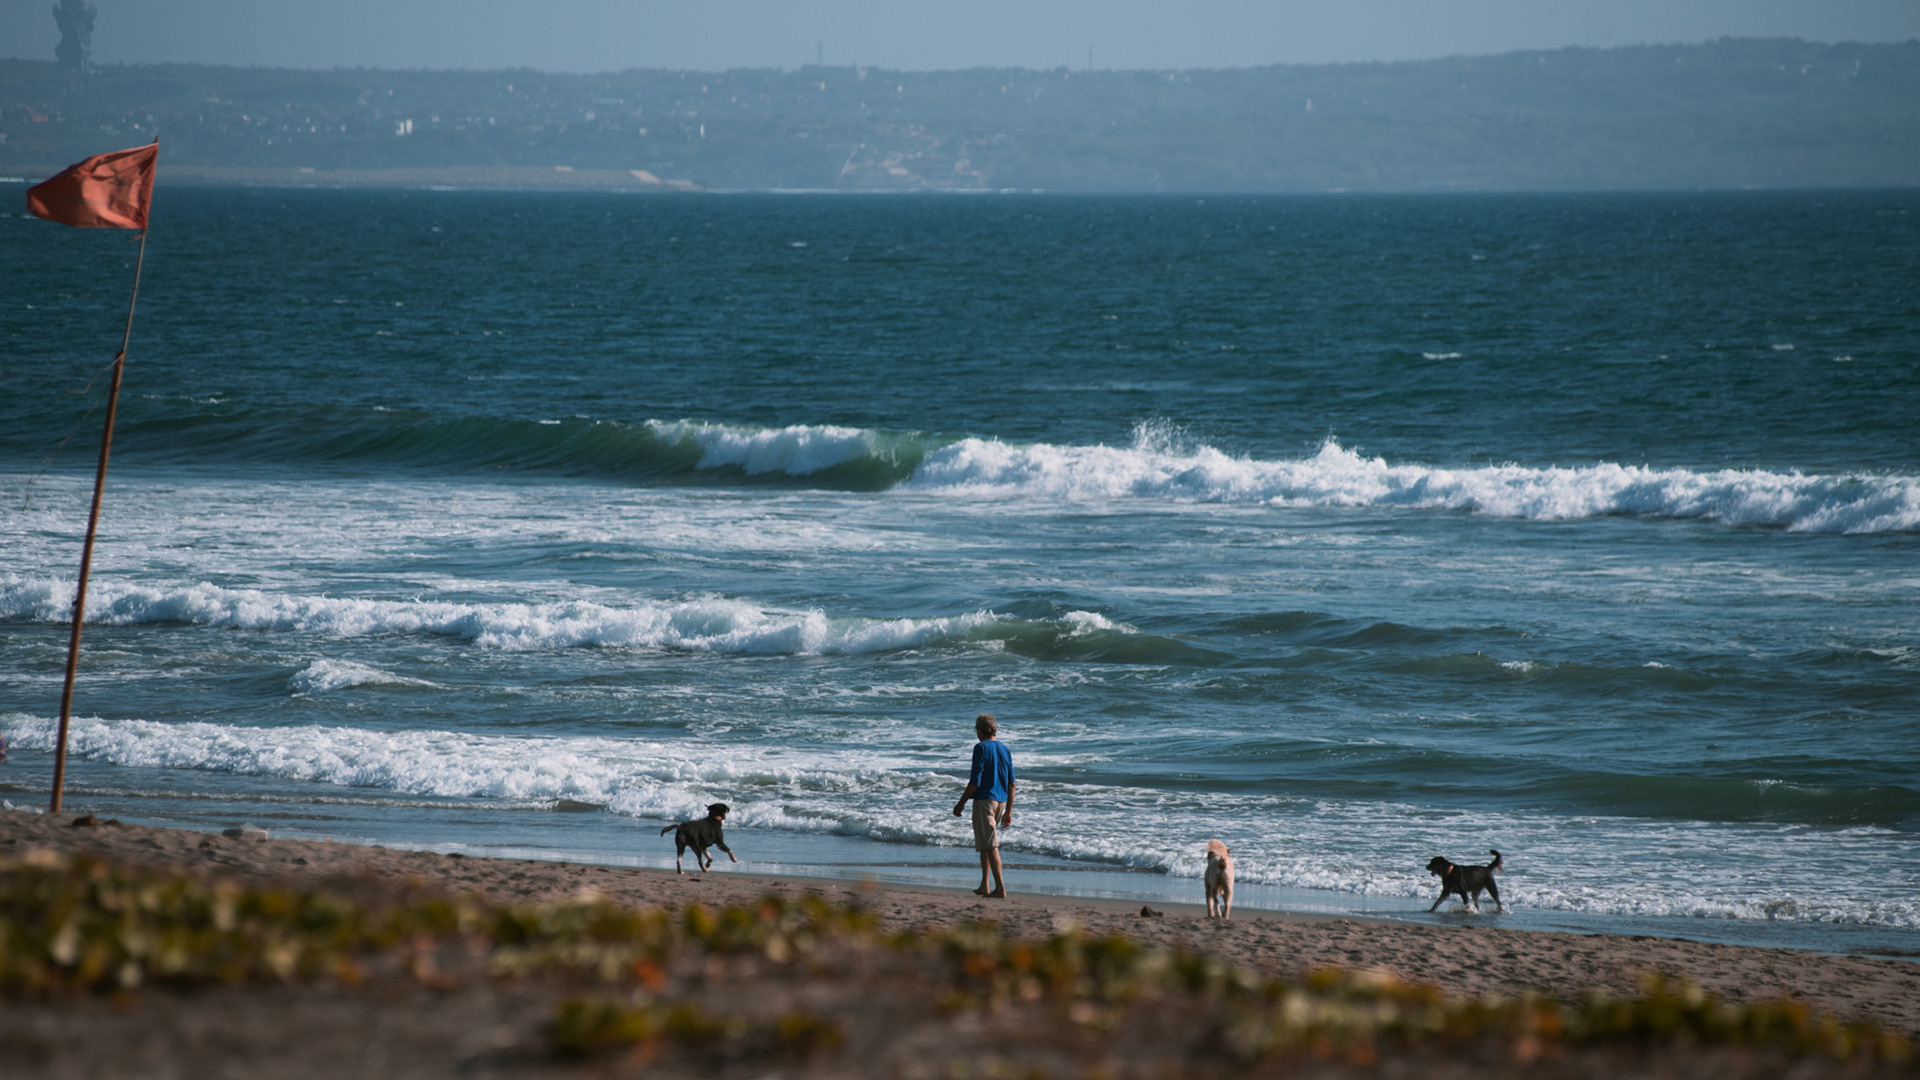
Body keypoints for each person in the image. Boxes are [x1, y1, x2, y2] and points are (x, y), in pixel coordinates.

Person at [951, 712, 1015, 898]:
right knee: (985, 843)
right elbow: (1012, 783)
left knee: (991, 845)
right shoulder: (1005, 749)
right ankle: (984, 885)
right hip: (1001, 801)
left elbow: (975, 781)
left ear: (980, 730)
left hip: (985, 800)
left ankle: (1000, 888)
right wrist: (1009, 811)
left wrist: (961, 803)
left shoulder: (980, 748)